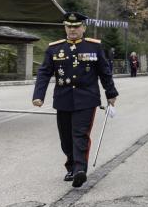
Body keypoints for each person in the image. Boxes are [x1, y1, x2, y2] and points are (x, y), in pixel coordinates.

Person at [32, 11, 118, 187]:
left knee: (80, 134)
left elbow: (104, 72)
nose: (72, 29)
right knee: (66, 138)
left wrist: (111, 93)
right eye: (69, 26)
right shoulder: (54, 48)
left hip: (87, 98)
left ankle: (80, 169)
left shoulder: (94, 47)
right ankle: (71, 166)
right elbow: (44, 73)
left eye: (76, 26)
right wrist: (38, 96)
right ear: (65, 27)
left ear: (83, 28)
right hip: (63, 98)